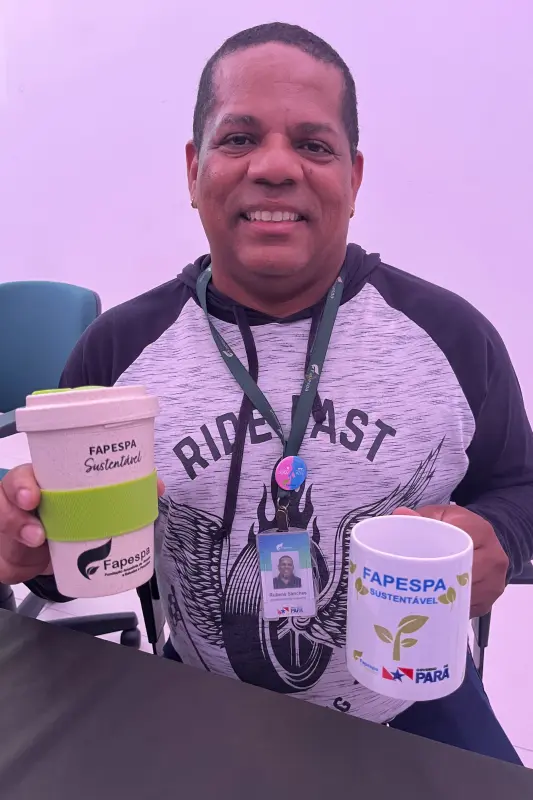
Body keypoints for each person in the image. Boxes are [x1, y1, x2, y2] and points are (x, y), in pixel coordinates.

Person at [0, 22, 531, 764]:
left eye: (313, 145)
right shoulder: (116, 355)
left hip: (416, 698)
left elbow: (519, 487)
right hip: (203, 699)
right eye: (239, 138)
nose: (276, 166)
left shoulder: (454, 337)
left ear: (354, 177)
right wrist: (29, 542)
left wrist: (500, 538)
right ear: (194, 170)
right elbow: (73, 567)